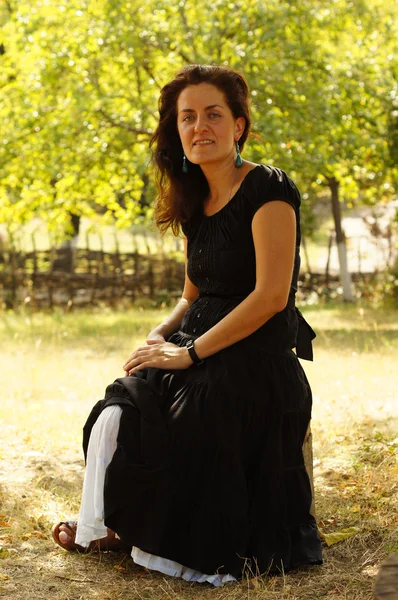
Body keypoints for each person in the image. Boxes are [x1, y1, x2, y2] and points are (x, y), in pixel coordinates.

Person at [52, 64, 323, 586]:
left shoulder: (268, 187)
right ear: (176, 130)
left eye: (213, 115)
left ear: (238, 125)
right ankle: (116, 524)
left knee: (197, 412)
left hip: (254, 359)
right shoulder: (194, 199)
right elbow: (190, 296)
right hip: (193, 346)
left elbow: (270, 297)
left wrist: (190, 353)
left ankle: (167, 537)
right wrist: (158, 337)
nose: (201, 126)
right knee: (120, 407)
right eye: (188, 117)